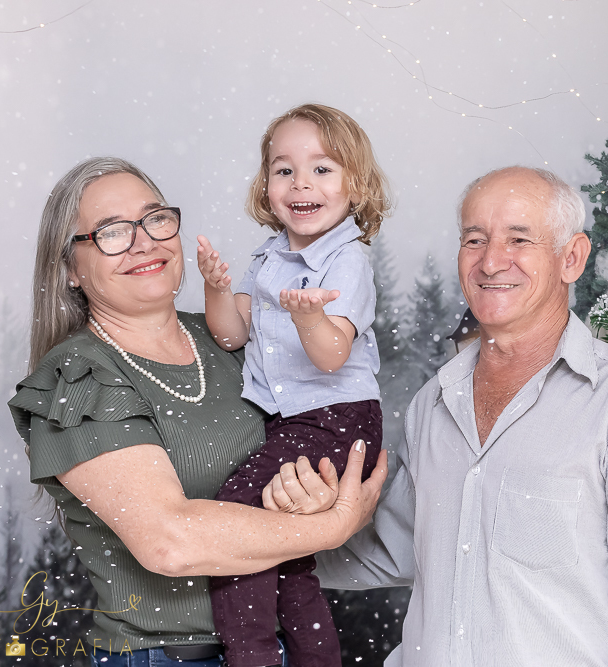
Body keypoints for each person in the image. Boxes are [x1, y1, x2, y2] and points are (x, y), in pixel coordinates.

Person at [313, 166, 608, 666]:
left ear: (572, 258)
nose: (492, 261)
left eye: (519, 239)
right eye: (474, 240)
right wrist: (263, 538)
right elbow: (394, 549)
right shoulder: (434, 403)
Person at [7, 156, 387, 667]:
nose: (144, 242)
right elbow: (171, 541)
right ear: (71, 269)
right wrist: (334, 524)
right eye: (111, 232)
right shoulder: (77, 377)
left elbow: (307, 446)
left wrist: (313, 494)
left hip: (279, 647)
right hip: (164, 657)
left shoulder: (234, 341)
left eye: (155, 218)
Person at [195, 103, 388, 667]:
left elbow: (332, 355)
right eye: (284, 170)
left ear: (356, 186)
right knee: (287, 550)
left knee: (238, 517)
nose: (302, 183)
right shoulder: (269, 257)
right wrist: (215, 289)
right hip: (293, 421)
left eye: (323, 169)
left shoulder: (348, 259)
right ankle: (315, 658)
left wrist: (309, 318)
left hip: (338, 417)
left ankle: (249, 654)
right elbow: (232, 334)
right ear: (267, 185)